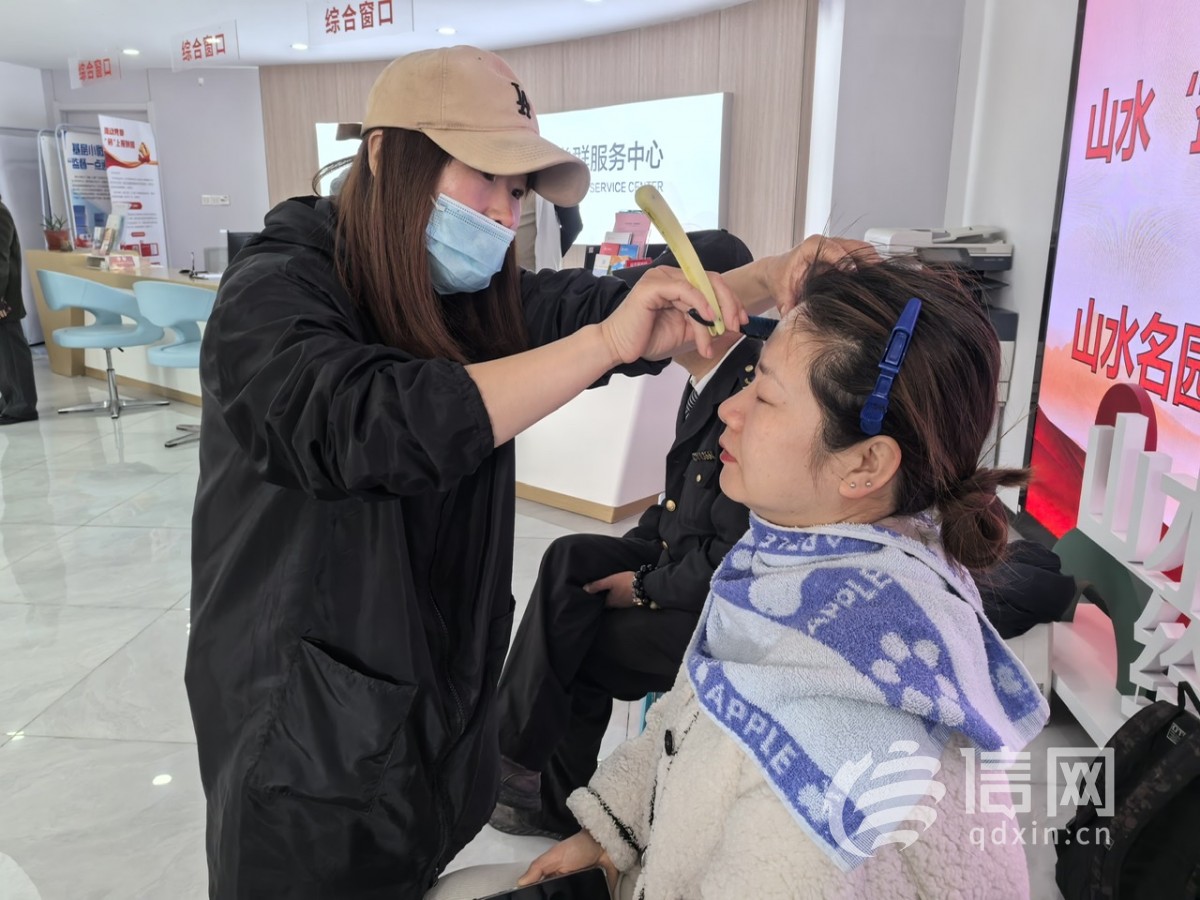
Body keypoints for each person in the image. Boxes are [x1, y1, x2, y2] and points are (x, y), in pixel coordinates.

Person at [184, 44, 863, 899]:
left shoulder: (457, 295)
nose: (505, 215)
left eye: (518, 191)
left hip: (420, 716)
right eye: (487, 180)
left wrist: (765, 277)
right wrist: (604, 344)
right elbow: (359, 421)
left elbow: (585, 305)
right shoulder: (278, 289)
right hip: (302, 729)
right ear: (387, 155)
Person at [503, 256, 1052, 899]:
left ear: (865, 464)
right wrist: (609, 833)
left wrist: (646, 587)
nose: (732, 411)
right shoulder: (810, 555)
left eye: (763, 395)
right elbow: (697, 707)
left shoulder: (819, 783)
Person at [491, 233, 759, 840]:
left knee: (582, 641)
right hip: (677, 561)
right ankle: (513, 755)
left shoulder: (747, 392)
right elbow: (672, 510)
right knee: (570, 556)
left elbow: (731, 558)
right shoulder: (702, 381)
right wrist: (636, 559)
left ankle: (545, 793)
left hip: (714, 606)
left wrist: (640, 587)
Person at [0, 194, 39, 425]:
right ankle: (11, 400)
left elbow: (1, 262)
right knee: (4, 355)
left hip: (4, 299)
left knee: (12, 351)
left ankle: (22, 406)